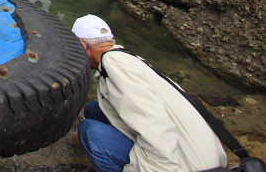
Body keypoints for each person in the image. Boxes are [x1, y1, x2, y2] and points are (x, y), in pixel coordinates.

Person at [71, 14, 227, 172]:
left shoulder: (115, 66)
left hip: (188, 166)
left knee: (89, 131)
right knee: (93, 110)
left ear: (82, 45)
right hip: (206, 156)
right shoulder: (129, 58)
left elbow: (158, 129)